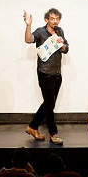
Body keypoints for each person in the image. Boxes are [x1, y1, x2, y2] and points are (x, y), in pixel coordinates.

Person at [23, 8, 69, 145]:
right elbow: (28, 39)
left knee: (50, 104)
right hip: (45, 73)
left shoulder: (60, 31)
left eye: (57, 19)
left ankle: (33, 127)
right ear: (46, 20)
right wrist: (28, 24)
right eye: (52, 19)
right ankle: (53, 133)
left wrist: (62, 45)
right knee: (49, 103)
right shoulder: (40, 32)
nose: (55, 21)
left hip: (57, 73)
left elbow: (66, 48)